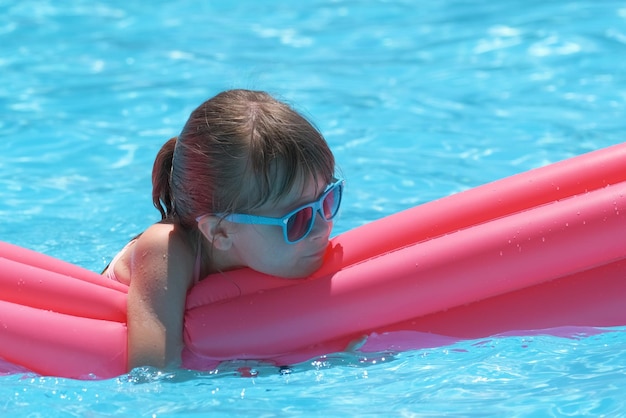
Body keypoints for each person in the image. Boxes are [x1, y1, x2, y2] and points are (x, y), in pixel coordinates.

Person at [102, 89, 343, 371]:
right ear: (221, 233)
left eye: (327, 201)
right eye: (297, 219)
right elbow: (151, 374)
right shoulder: (165, 251)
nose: (321, 228)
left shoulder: (267, 239)